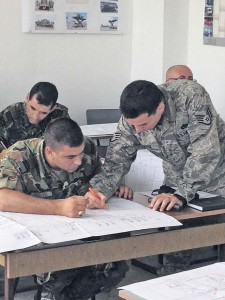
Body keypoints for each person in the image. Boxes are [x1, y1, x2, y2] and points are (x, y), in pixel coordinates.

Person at [0, 117, 129, 300]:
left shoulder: (88, 148)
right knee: (62, 266)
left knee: (114, 266)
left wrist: (104, 191)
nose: (78, 161)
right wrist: (59, 207)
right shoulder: (19, 155)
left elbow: (101, 178)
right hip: (39, 237)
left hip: (83, 229)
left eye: (81, 154)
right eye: (70, 157)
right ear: (50, 152)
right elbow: (2, 197)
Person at [90, 79, 225, 212]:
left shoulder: (191, 97)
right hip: (176, 178)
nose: (137, 130)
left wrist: (183, 193)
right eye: (133, 125)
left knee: (214, 226)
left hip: (217, 175)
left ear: (160, 108)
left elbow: (204, 150)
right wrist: (99, 192)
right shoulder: (132, 117)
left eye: (143, 124)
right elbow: (116, 161)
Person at [0, 81, 69, 159]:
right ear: (27, 98)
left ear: (52, 108)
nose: (36, 116)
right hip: (16, 166)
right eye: (33, 108)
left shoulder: (60, 116)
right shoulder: (9, 115)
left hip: (49, 164)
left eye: (43, 113)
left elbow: (68, 143)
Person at [163, 65, 194, 186]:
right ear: (168, 82)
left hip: (202, 175)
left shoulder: (198, 104)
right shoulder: (160, 104)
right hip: (174, 177)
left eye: (190, 79)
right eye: (181, 79)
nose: (187, 83)